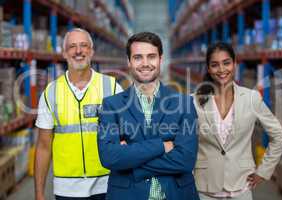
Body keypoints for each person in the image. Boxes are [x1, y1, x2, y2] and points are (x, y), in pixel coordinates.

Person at [97, 32, 199, 200]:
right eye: (138, 57)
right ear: (129, 62)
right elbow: (110, 157)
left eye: (151, 57)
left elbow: (186, 160)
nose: (145, 64)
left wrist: (131, 161)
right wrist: (162, 146)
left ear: (161, 59)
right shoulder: (111, 105)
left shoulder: (184, 104)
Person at [34, 28, 123, 200]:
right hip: (67, 189)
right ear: (65, 54)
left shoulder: (112, 88)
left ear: (91, 51)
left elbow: (127, 138)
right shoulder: (51, 93)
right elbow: (44, 147)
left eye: (84, 45)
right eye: (72, 46)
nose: (79, 51)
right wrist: (39, 193)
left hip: (108, 184)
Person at [193, 42, 282, 200]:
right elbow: (183, 142)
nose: (222, 70)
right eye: (215, 65)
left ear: (235, 63)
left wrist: (263, 171)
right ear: (208, 69)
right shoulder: (194, 101)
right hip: (204, 190)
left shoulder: (251, 98)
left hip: (241, 189)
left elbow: (279, 135)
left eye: (226, 63)